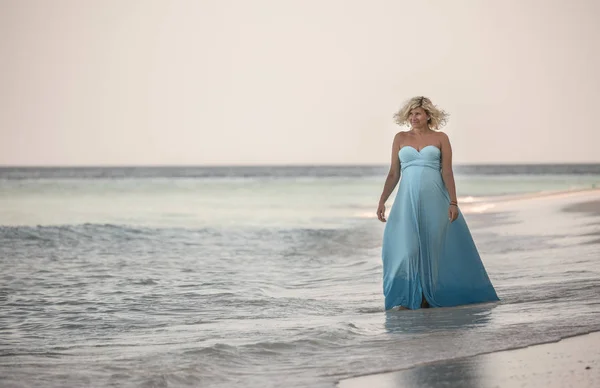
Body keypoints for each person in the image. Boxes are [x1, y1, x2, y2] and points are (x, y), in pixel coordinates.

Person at [377, 96, 499, 310]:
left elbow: (448, 171)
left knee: (433, 248)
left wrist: (453, 202)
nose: (413, 118)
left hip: (435, 200)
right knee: (408, 249)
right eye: (411, 114)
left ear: (428, 116)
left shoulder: (441, 138)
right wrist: (382, 201)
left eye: (418, 114)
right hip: (407, 201)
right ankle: (409, 296)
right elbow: (394, 173)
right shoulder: (400, 138)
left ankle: (427, 297)